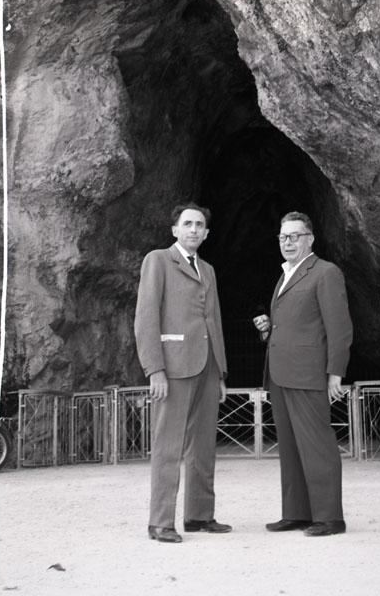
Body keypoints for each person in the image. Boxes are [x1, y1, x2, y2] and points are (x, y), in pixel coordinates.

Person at [134, 203, 231, 543]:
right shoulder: (158, 260)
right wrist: (155, 369)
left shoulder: (208, 270)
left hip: (207, 367)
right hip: (173, 367)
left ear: (207, 233)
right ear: (175, 229)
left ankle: (199, 515)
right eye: (187, 223)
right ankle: (160, 522)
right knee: (168, 447)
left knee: (203, 446)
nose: (193, 229)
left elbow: (213, 321)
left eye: (199, 225)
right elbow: (146, 316)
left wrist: (220, 372)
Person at [253, 211, 353, 537]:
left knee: (317, 446)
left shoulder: (325, 272)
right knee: (290, 448)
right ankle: (297, 513)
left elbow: (339, 327)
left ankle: (330, 518)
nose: (288, 242)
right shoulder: (284, 275)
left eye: (295, 236)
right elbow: (293, 325)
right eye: (283, 237)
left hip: (308, 374)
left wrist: (335, 372)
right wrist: (268, 330)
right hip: (280, 374)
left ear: (310, 239)